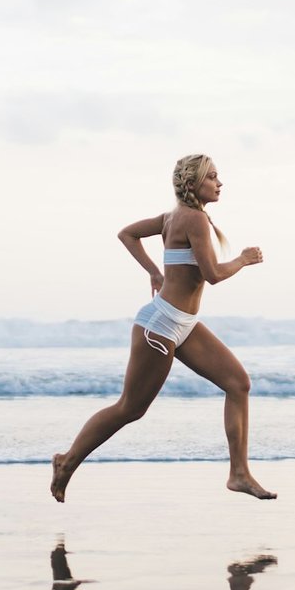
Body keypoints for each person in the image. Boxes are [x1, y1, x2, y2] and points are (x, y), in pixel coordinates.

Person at [51, 154, 276, 502]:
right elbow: (214, 275)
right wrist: (243, 260)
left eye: (218, 176)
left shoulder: (174, 217)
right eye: (212, 177)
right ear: (193, 184)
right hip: (159, 326)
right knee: (130, 407)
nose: (220, 183)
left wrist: (154, 272)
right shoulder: (193, 219)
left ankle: (239, 474)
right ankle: (66, 461)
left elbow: (127, 234)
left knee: (238, 383)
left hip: (182, 324)